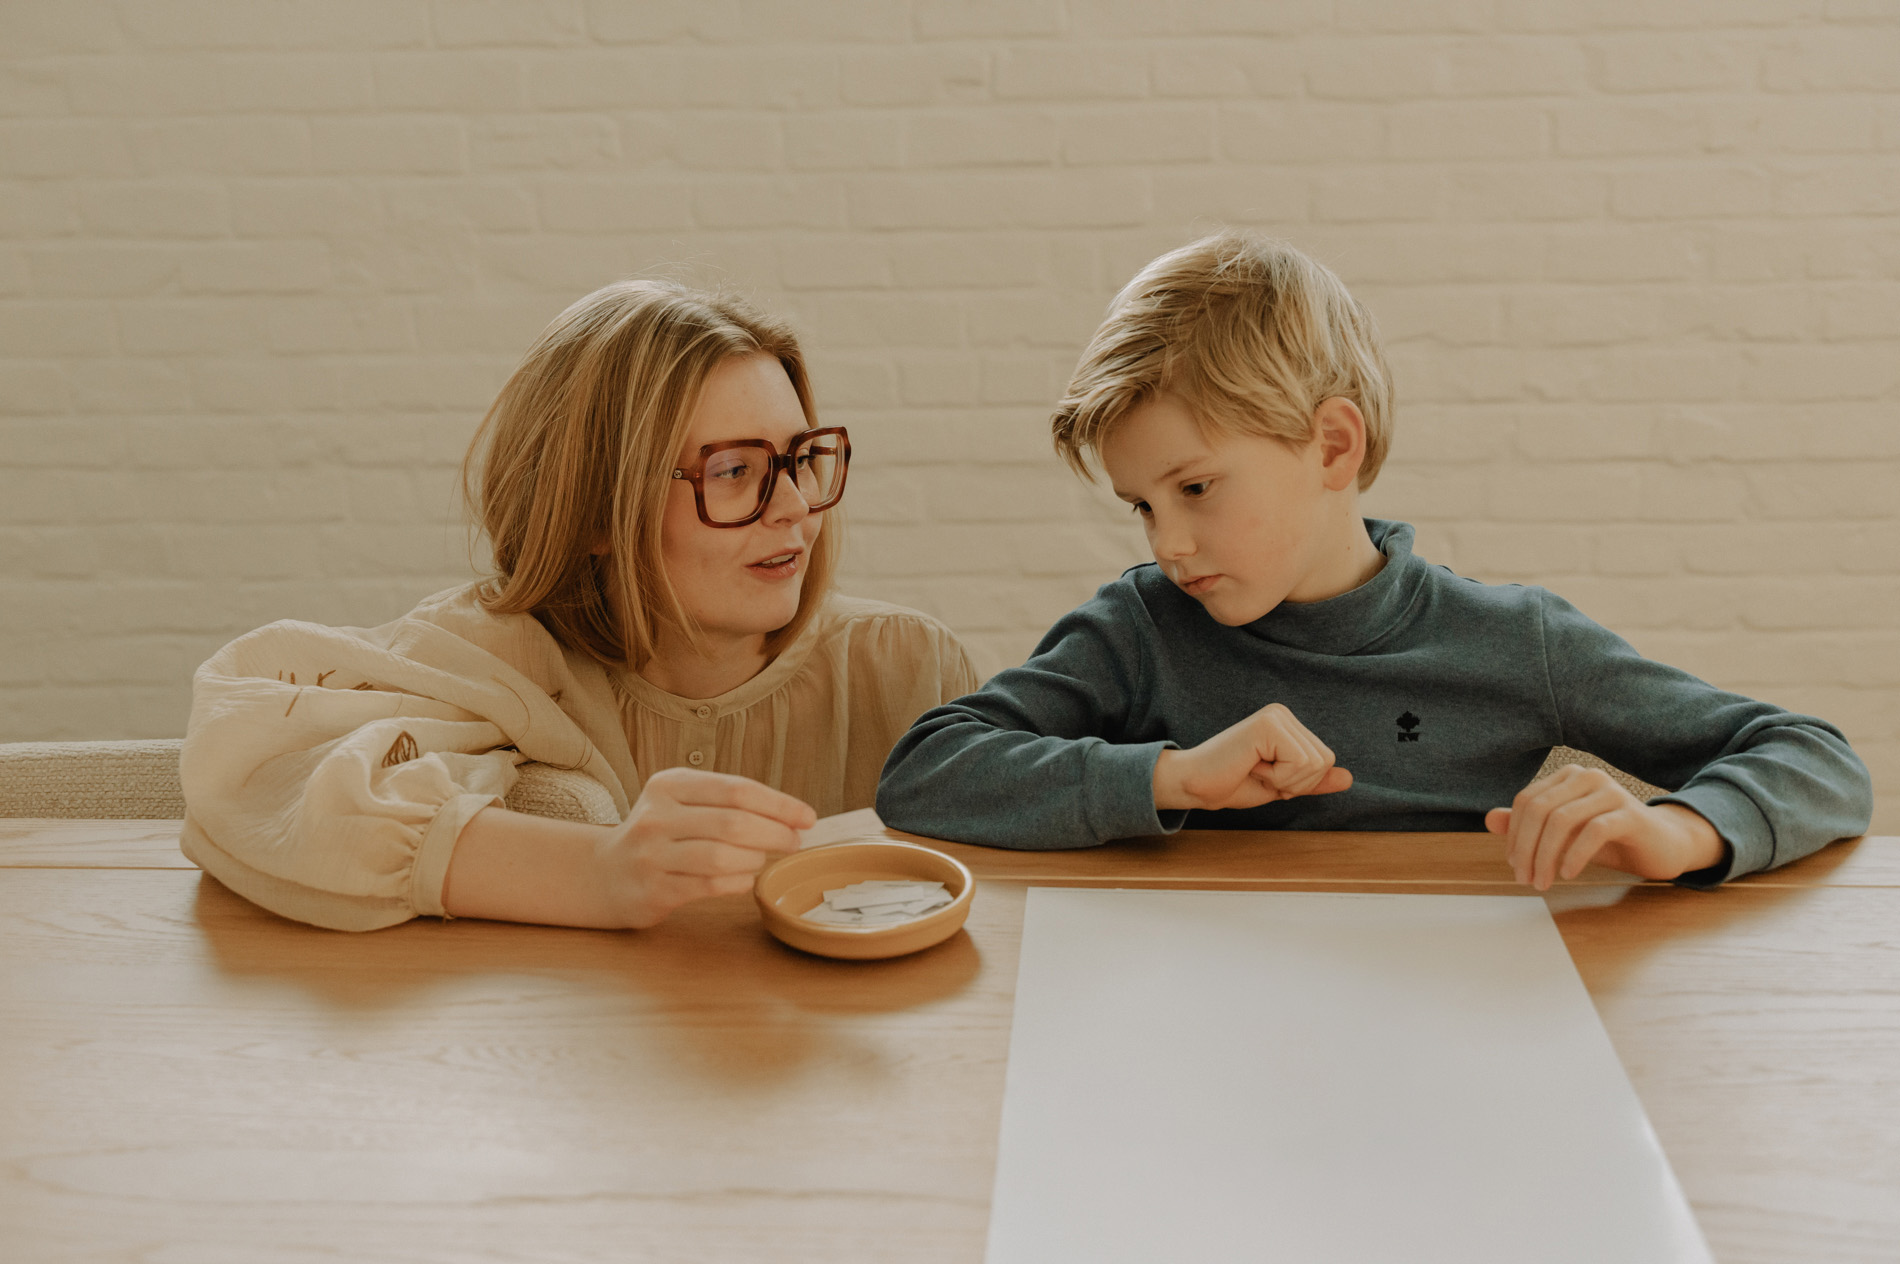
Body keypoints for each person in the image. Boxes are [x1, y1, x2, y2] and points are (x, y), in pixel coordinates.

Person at [876, 231, 1872, 890]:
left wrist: (1679, 832)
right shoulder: (1139, 630)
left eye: (1194, 489)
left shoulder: (1514, 641)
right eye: (1141, 505)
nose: (1166, 544)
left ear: (1332, 446)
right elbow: (927, 774)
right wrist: (1173, 777)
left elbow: (1816, 761)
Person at [182, 280, 977, 932]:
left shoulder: (906, 668)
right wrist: (600, 873)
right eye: (734, 471)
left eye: (802, 459)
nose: (796, 507)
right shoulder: (507, 653)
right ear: (597, 511)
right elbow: (247, 762)